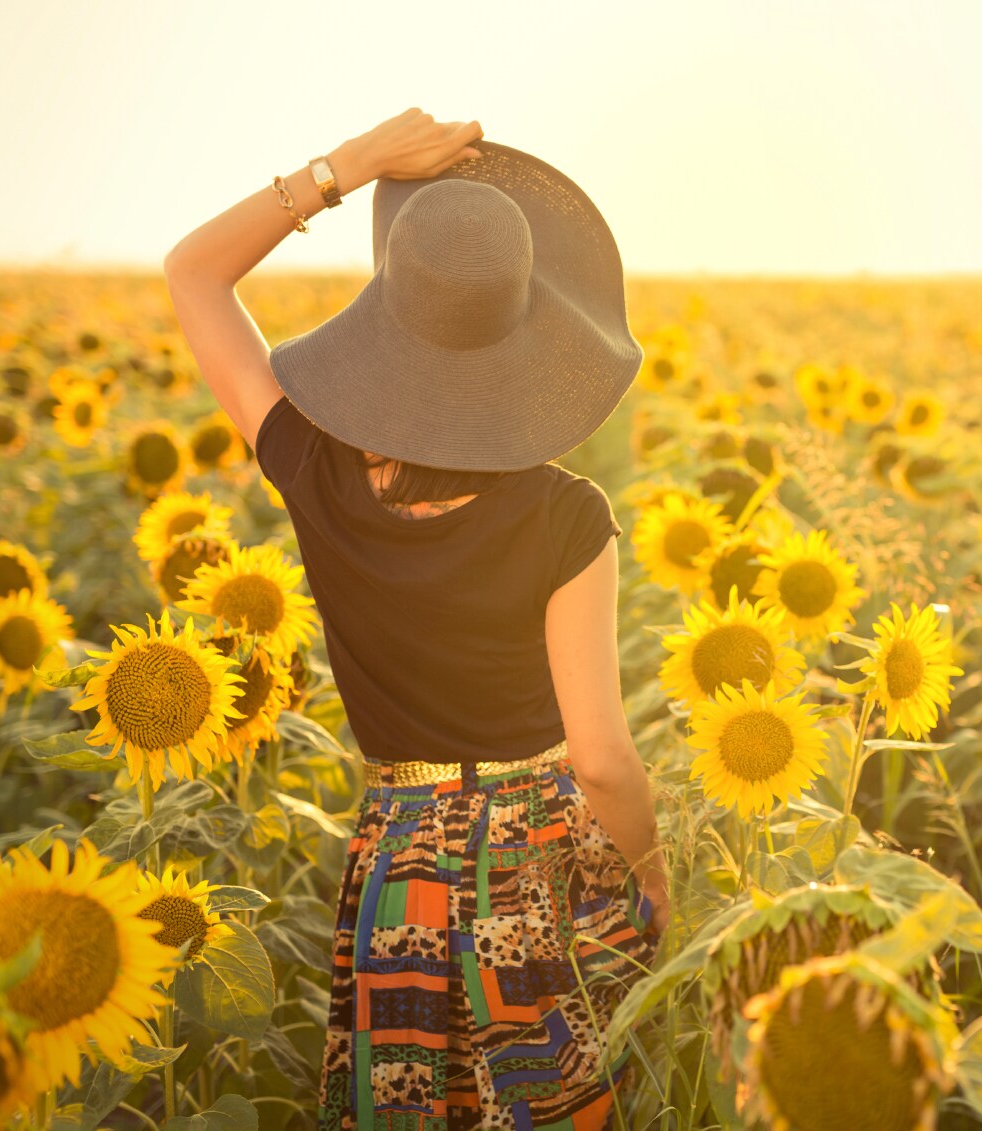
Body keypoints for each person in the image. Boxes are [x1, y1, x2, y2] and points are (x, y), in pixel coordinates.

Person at [162, 107, 670, 1130]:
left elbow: (192, 273)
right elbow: (604, 758)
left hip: (400, 864)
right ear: (532, 340)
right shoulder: (567, 518)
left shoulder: (311, 467)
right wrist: (653, 877)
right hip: (538, 864)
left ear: (389, 316)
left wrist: (348, 168)